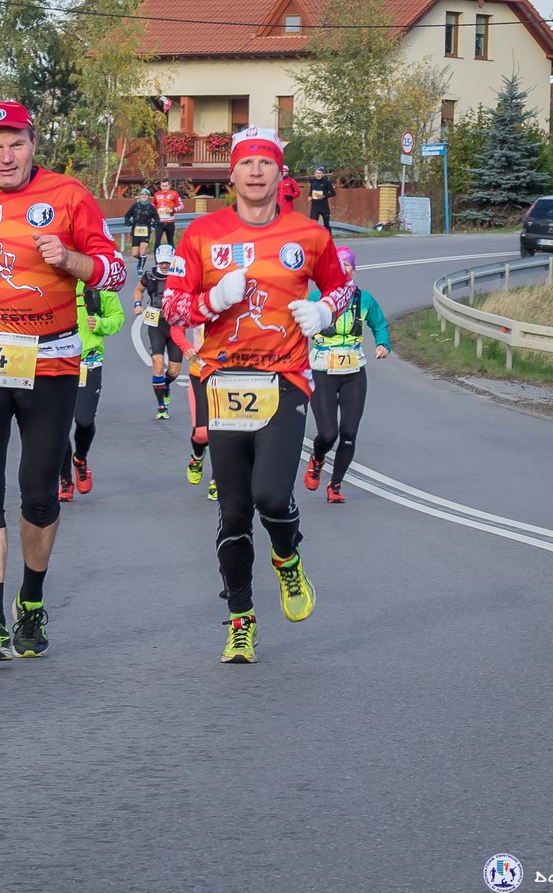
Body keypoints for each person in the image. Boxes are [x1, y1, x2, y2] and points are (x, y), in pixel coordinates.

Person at [0, 100, 126, 661]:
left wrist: (70, 260)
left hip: (51, 359)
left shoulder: (69, 195)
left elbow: (114, 271)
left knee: (38, 491)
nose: (6, 156)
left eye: (16, 144)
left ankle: (31, 601)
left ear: (33, 144)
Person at [162, 126, 353, 664]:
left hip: (285, 379)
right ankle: (241, 620)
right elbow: (171, 306)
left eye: (265, 162)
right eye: (246, 162)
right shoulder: (202, 233)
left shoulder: (308, 235)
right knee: (234, 511)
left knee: (271, 496)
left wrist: (325, 310)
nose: (255, 171)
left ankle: (288, 559)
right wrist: (211, 302)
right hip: (224, 381)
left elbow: (344, 286)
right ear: (232, 173)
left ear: (279, 173)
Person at [304, 246, 391, 504]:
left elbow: (379, 324)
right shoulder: (316, 298)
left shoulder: (364, 299)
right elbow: (296, 328)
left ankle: (335, 485)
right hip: (322, 372)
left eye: (347, 265)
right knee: (328, 434)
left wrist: (383, 344)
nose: (343, 270)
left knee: (349, 433)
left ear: (354, 270)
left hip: (354, 372)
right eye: (337, 265)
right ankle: (318, 458)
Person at [59, 280, 125, 500]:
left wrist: (101, 324)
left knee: (84, 420)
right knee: (58, 425)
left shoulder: (97, 285)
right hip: (57, 360)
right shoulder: (54, 281)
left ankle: (80, 459)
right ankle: (65, 478)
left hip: (89, 361)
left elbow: (117, 317)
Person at [133, 243, 183, 420]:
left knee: (174, 371)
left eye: (167, 262)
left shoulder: (181, 275)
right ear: (157, 261)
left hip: (175, 324)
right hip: (155, 323)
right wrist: (137, 304)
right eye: (162, 262)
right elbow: (138, 290)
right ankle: (161, 406)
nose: (165, 265)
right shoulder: (150, 275)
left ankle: (166, 385)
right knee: (158, 364)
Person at [170, 323, 218, 501]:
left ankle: (217, 480)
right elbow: (176, 328)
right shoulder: (199, 307)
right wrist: (186, 346)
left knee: (224, 431)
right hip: (200, 373)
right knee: (202, 433)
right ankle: (197, 456)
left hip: (230, 374)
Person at [123, 186, 160, 273]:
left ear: (148, 197)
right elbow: (127, 215)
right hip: (136, 230)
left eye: (146, 195)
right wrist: (127, 222)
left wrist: (154, 224)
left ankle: (141, 269)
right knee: (134, 253)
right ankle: (141, 259)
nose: (144, 196)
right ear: (140, 196)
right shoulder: (135, 206)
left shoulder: (151, 207)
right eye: (142, 194)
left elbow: (157, 218)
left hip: (146, 230)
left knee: (143, 250)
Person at [151, 178, 184, 248]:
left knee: (170, 241)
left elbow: (181, 206)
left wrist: (173, 210)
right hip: (159, 222)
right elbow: (154, 204)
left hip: (170, 222)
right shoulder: (157, 194)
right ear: (160, 186)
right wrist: (153, 211)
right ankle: (156, 255)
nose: (164, 188)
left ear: (169, 186)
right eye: (162, 186)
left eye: (166, 186)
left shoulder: (174, 194)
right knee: (157, 241)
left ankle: (172, 254)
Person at [308, 166, 336, 233]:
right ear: (315, 174)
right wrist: (309, 196)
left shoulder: (326, 182)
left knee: (326, 224)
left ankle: (329, 237)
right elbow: (311, 190)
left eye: (320, 173)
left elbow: (333, 193)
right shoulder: (313, 182)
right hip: (315, 206)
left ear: (322, 174)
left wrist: (324, 196)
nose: (318, 175)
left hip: (324, 206)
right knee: (313, 224)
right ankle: (314, 237)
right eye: (317, 173)